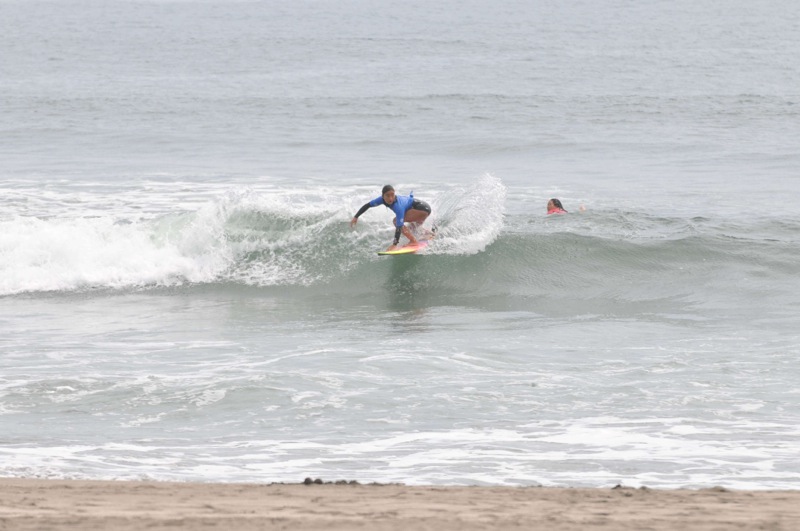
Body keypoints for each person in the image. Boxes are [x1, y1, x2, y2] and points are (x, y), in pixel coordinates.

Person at [350, 185, 432, 250]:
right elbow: (368, 205)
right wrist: (356, 217)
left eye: (392, 195)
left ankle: (413, 241)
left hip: (422, 209)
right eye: (387, 196)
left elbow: (399, 226)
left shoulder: (398, 206)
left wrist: (394, 245)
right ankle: (427, 233)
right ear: (383, 196)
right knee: (411, 229)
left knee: (396, 221)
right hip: (422, 208)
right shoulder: (381, 200)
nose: (390, 198)